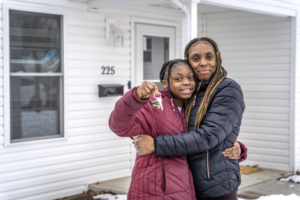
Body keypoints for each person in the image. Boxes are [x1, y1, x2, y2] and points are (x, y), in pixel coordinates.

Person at [132, 37, 246, 200]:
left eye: (209, 57)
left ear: (217, 58)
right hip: (184, 184)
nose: (203, 63)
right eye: (195, 58)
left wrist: (155, 145)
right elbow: (161, 121)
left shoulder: (227, 89)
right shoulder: (188, 91)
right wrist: (138, 134)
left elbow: (209, 136)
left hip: (215, 185)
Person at [109, 59, 198, 199]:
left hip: (186, 189)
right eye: (178, 78)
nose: (186, 82)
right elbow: (119, 127)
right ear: (165, 83)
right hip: (152, 189)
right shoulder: (153, 104)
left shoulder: (198, 107)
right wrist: (135, 97)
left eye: (190, 77)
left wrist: (238, 148)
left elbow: (209, 136)